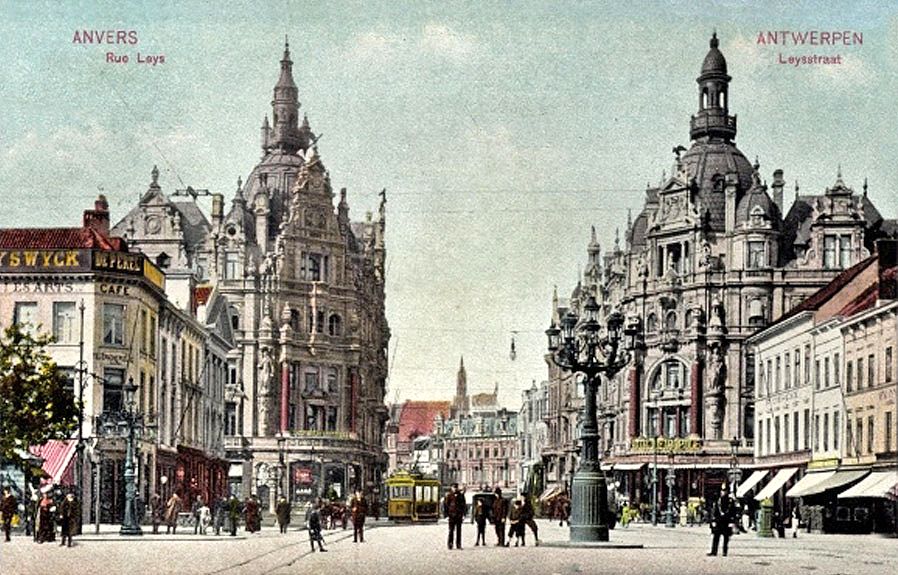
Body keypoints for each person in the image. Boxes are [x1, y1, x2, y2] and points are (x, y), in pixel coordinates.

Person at [707, 487, 735, 557]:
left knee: (726, 538)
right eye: (722, 491)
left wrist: (732, 521)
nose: (722, 492)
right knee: (716, 537)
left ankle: (725, 551)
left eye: (724, 491)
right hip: (719, 521)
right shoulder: (718, 500)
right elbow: (714, 511)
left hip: (726, 521)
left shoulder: (730, 501)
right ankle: (714, 551)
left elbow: (733, 512)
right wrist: (713, 521)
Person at [442, 483, 466, 550]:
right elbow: (446, 505)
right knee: (451, 531)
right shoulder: (449, 495)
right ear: (451, 488)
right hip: (451, 515)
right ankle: (450, 544)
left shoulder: (461, 495)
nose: (455, 489)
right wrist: (446, 515)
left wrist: (463, 514)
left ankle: (458, 544)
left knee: (459, 531)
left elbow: (463, 506)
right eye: (453, 487)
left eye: (456, 487)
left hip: (459, 515)